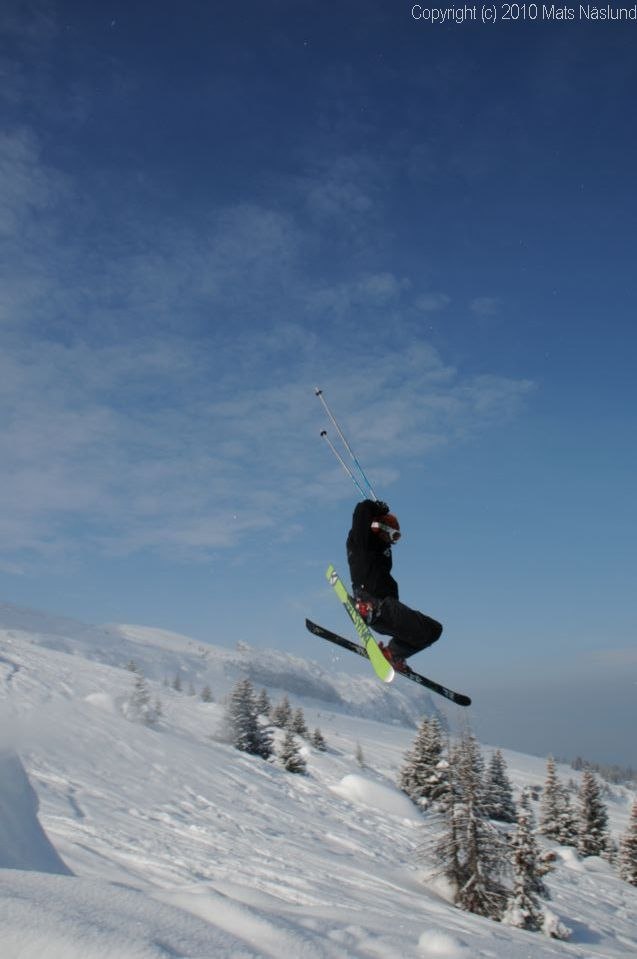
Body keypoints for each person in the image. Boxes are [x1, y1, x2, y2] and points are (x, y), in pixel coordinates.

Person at [346, 499, 442, 669]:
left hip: (387, 611)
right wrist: (376, 507)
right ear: (379, 527)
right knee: (433, 630)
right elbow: (361, 511)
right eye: (392, 534)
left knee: (432, 631)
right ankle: (368, 609)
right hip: (375, 602)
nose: (393, 540)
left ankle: (391, 654)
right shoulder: (362, 542)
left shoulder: (382, 550)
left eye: (396, 536)